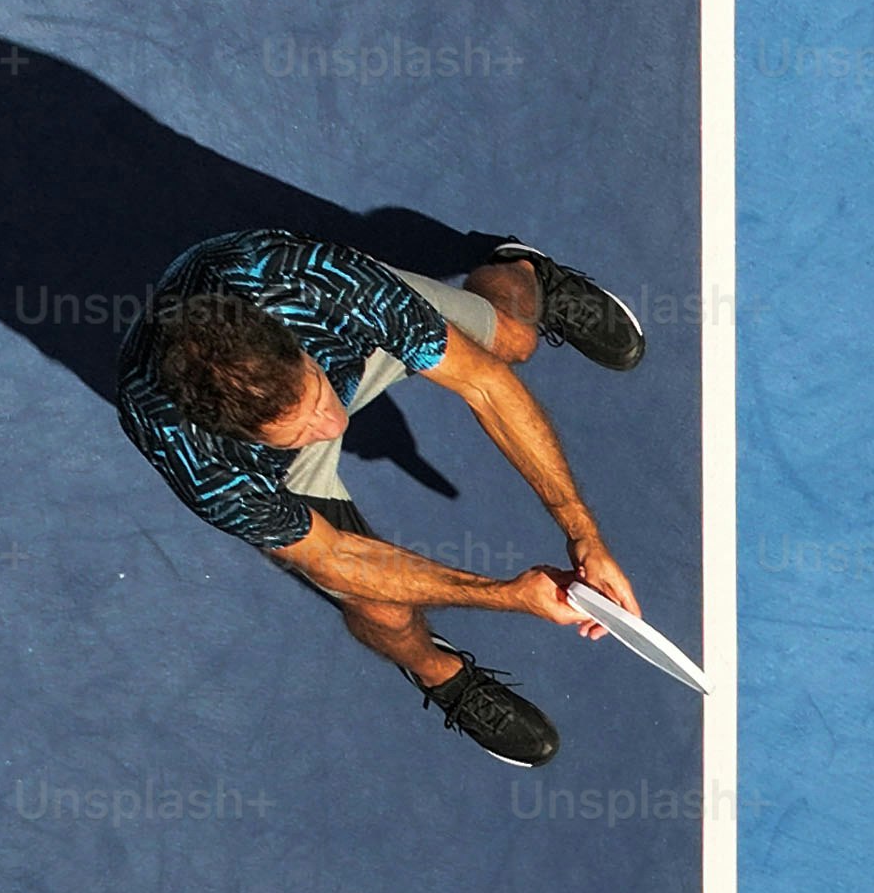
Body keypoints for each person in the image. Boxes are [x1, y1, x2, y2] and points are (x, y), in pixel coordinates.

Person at [115, 230, 652, 768]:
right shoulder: (194, 455)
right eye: (301, 428)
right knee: (382, 608)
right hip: (274, 466)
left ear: (291, 343)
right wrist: (507, 594)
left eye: (317, 395)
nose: (334, 425)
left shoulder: (314, 282)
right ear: (244, 437)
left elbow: (485, 385)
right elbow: (336, 557)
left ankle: (526, 271)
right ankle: (441, 675)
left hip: (345, 338)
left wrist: (583, 532)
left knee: (514, 342)